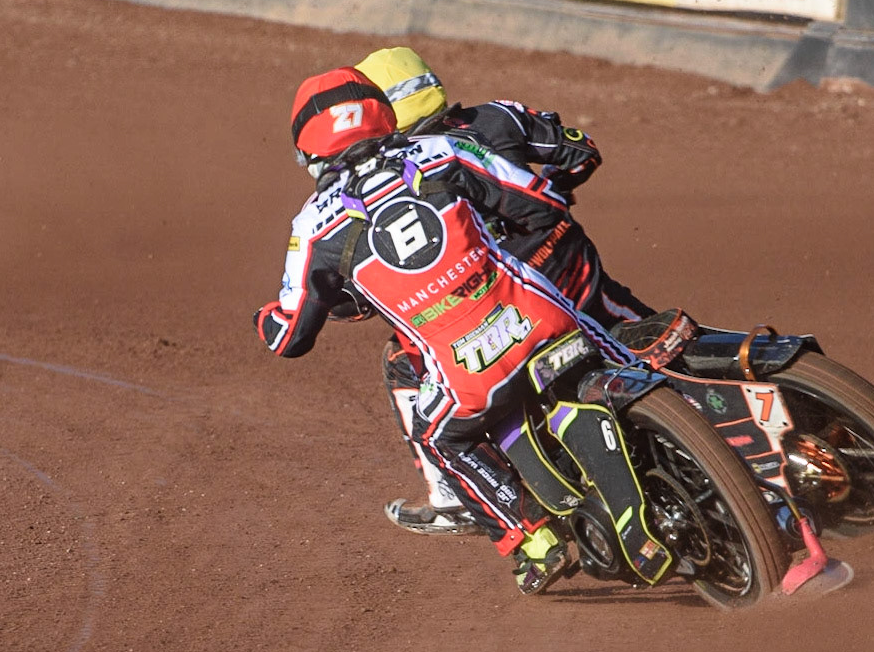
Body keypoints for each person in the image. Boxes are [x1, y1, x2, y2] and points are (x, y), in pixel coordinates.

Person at [253, 66, 637, 595]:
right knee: (619, 349)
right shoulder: (442, 151)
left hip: (469, 375)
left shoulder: (312, 226)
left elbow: (288, 338)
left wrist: (265, 318)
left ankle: (530, 538)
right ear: (382, 113)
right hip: (544, 318)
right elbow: (542, 204)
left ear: (309, 152)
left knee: (437, 434)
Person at [354, 47, 656, 536]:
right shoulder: (499, 116)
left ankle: (454, 499)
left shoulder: (398, 179)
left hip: (509, 308)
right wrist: (545, 197)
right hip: (579, 278)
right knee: (657, 340)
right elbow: (582, 155)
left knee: (401, 359)